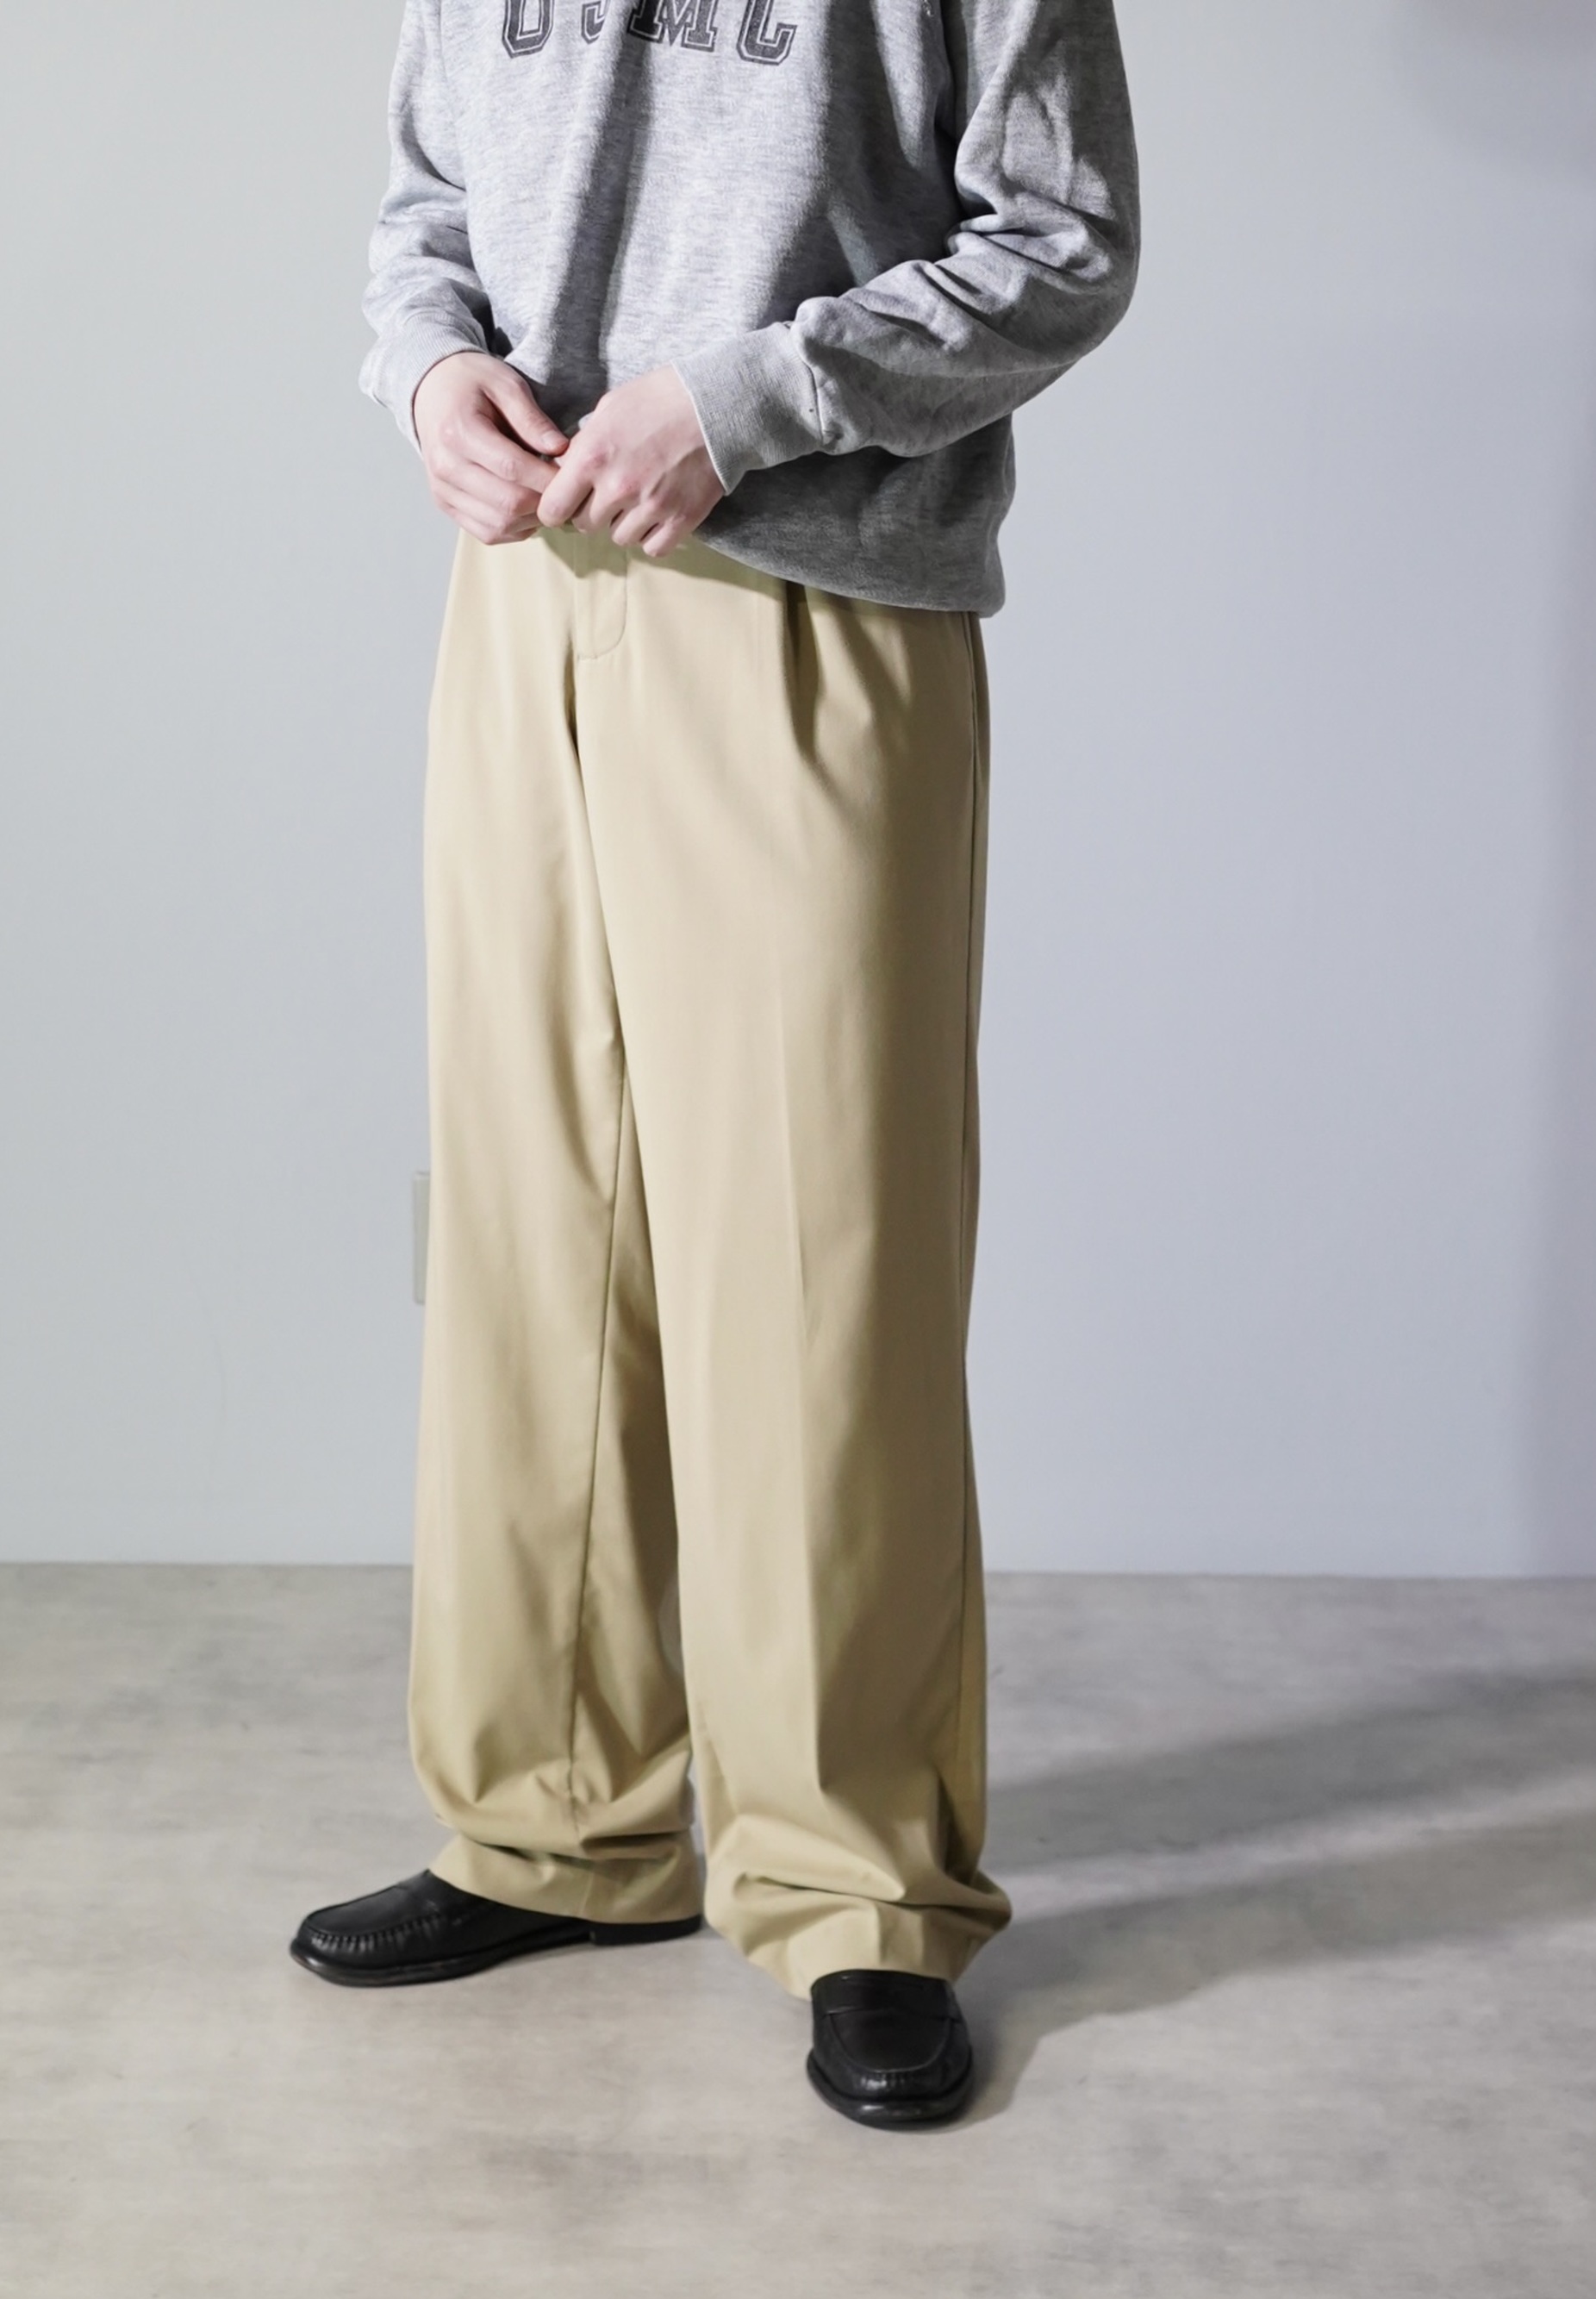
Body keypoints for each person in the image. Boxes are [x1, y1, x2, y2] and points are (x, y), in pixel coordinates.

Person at [291, 0, 1139, 2129]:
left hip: (808, 590)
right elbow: (426, 201)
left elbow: (1064, 236)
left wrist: (741, 400)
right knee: (532, 1239)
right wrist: (430, 372)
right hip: (522, 603)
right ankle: (556, 1821)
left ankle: (858, 1892)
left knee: (814, 1260)